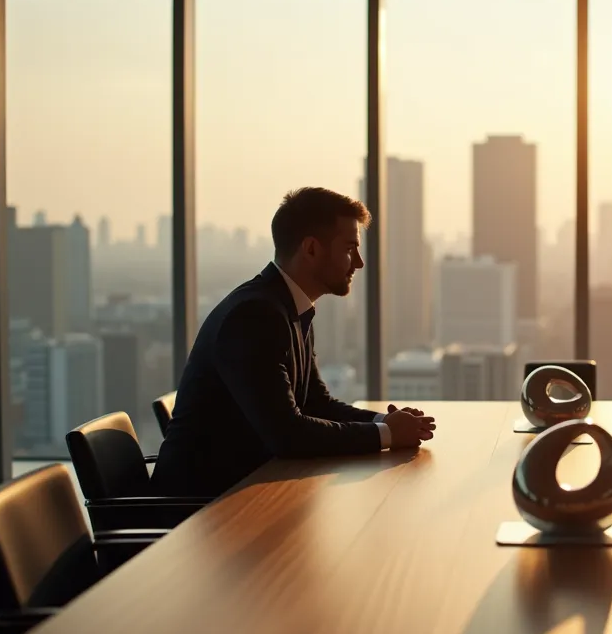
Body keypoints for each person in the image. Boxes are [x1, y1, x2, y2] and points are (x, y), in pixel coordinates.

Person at [151, 187, 436, 497]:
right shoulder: (254, 316)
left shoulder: (287, 307)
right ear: (311, 249)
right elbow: (287, 435)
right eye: (350, 248)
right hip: (198, 516)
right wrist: (386, 434)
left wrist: (387, 422)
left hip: (243, 495)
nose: (359, 263)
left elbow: (316, 404)